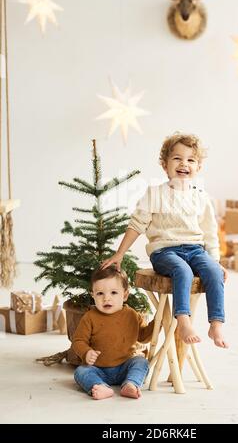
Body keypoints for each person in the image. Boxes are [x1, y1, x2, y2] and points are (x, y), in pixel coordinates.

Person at [102, 132, 228, 348]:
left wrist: (215, 260)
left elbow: (209, 233)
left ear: (198, 167)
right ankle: (183, 320)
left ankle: (216, 323)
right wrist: (120, 253)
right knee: (183, 270)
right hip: (165, 252)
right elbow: (136, 225)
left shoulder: (201, 198)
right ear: (164, 164)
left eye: (191, 160)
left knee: (214, 272)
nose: (184, 164)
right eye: (177, 158)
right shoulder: (155, 194)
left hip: (196, 250)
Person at [72, 266, 154, 400]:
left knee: (141, 362)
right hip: (98, 369)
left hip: (125, 366)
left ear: (125, 295)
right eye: (100, 294)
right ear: (93, 295)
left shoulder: (132, 315)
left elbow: (144, 336)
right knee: (81, 372)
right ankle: (100, 386)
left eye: (113, 293)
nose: (106, 299)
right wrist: (86, 352)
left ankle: (131, 384)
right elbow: (78, 341)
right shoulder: (90, 317)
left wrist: (158, 323)